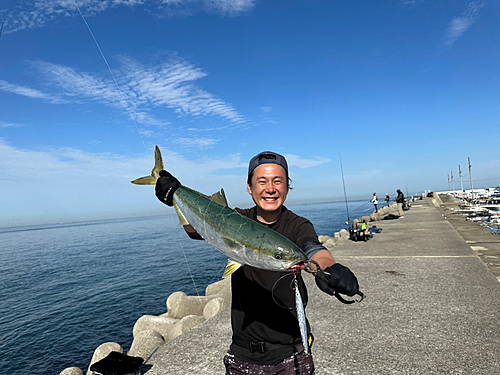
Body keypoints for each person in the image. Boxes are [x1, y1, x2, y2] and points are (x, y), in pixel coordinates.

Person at [155, 151, 360, 375]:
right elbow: (196, 229)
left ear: (287, 187)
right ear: (250, 187)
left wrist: (328, 269)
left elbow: (312, 250)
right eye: (261, 181)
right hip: (242, 351)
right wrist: (174, 194)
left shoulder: (298, 225)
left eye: (277, 181)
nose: (270, 188)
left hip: (291, 350)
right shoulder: (235, 218)